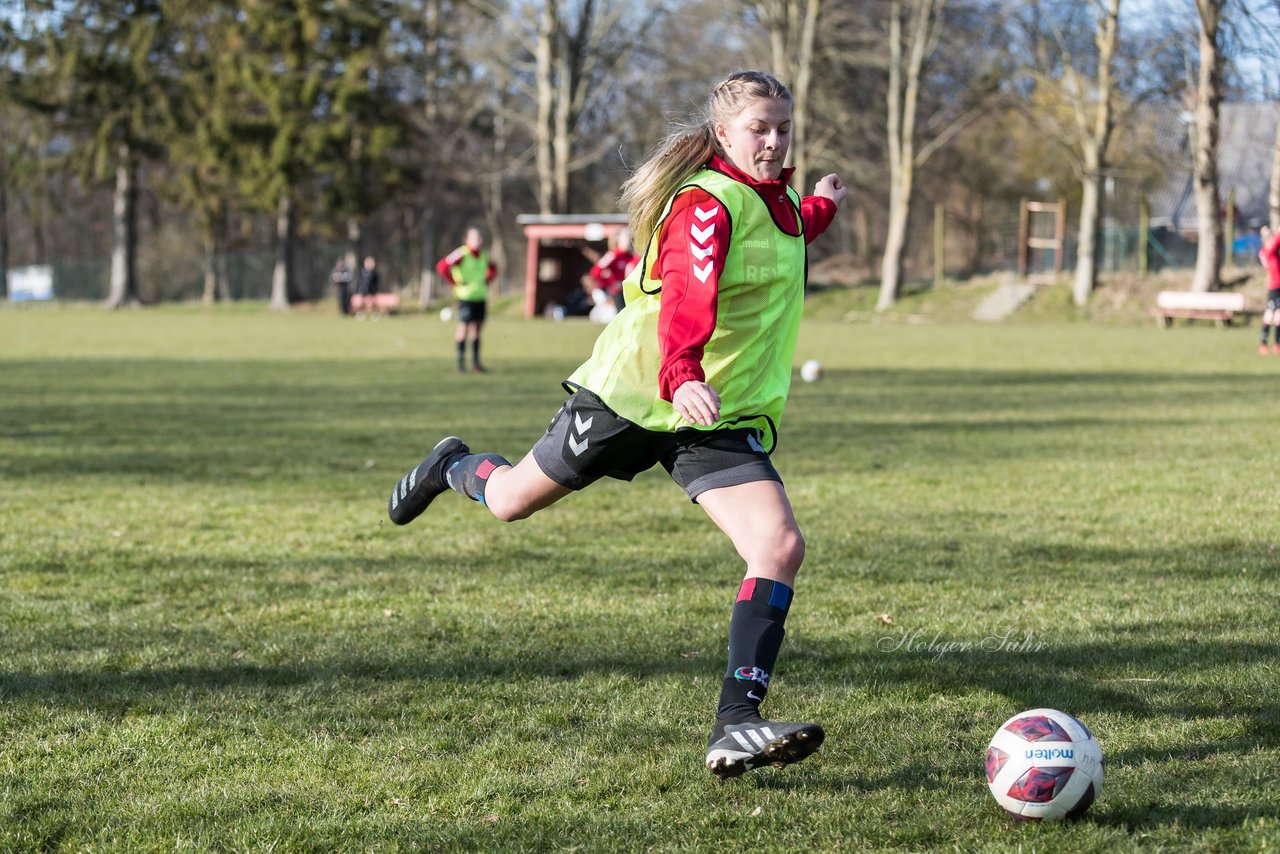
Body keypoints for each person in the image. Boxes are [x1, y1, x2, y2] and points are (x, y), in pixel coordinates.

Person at [389, 70, 845, 779]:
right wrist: (684, 374)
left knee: (779, 545)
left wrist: (822, 204)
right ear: (724, 133)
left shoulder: (779, 196)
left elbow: (790, 228)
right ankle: (453, 464)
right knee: (509, 501)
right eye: (760, 128)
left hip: (711, 414)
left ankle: (736, 725)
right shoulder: (703, 205)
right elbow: (686, 302)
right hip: (637, 392)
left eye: (784, 128)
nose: (775, 141)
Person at [436, 227, 496, 372]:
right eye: (475, 237)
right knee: (463, 329)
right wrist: (454, 282)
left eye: (480, 237)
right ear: (467, 240)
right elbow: (442, 266)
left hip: (480, 297)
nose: (478, 240)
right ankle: (461, 365)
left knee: (477, 330)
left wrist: (488, 279)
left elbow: (494, 268)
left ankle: (476, 364)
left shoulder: (483, 255)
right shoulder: (461, 253)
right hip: (465, 297)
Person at [588, 228, 640, 312]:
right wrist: (610, 281)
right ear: (619, 240)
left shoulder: (633, 256)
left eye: (631, 238)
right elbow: (596, 271)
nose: (630, 241)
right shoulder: (613, 255)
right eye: (627, 238)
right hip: (617, 292)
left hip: (630, 290)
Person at [1258, 226, 1280, 355]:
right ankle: (1263, 344)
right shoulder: (1267, 250)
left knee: (1278, 316)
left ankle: (1277, 344)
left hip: (1278, 286)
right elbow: (1277, 241)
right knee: (1270, 314)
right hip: (1273, 287)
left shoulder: (1272, 251)